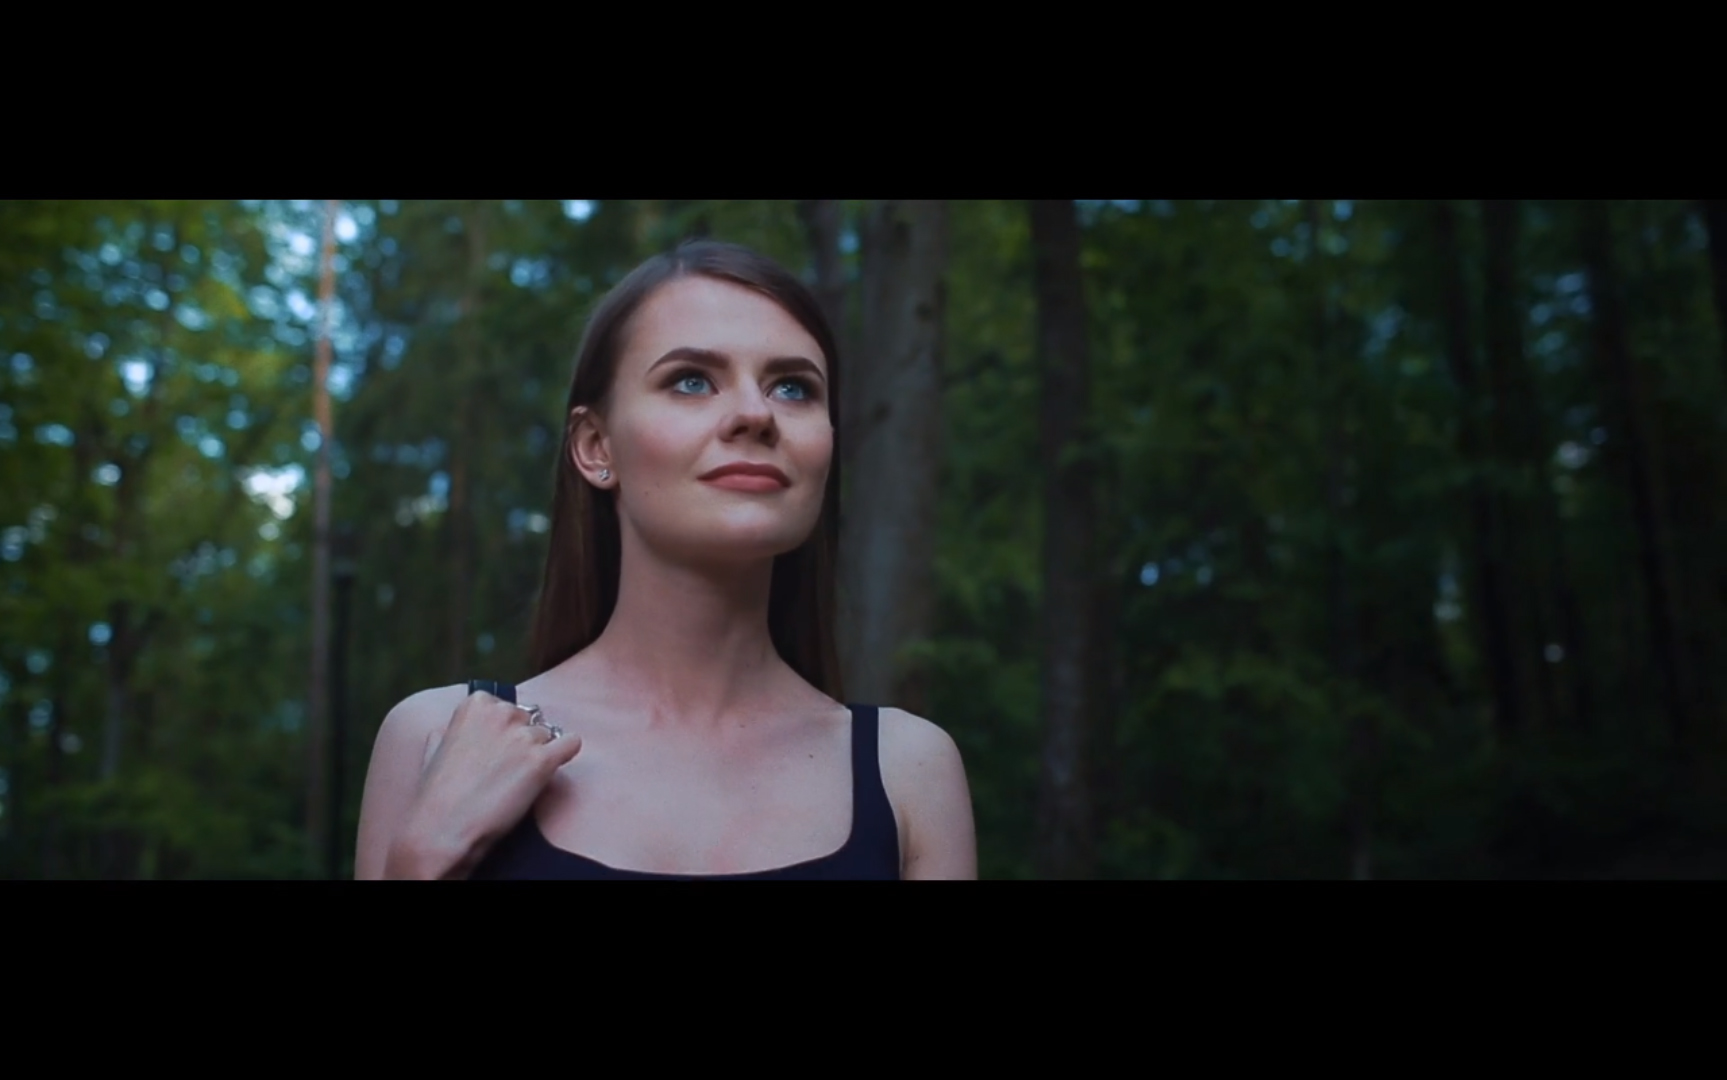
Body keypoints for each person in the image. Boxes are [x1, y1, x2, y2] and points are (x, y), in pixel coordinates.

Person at [353, 239, 977, 879]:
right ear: (596, 447)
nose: (756, 414)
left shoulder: (909, 771)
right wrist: (420, 862)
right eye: (691, 380)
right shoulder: (440, 738)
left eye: (793, 388)